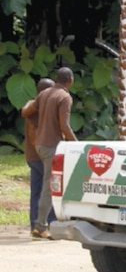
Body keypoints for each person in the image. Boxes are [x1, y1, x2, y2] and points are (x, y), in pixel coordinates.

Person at [32, 67, 78, 240]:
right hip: (52, 145)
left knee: (50, 184)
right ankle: (40, 227)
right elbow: (64, 126)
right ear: (70, 81)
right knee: (49, 187)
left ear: (56, 78)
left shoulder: (44, 93)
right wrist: (77, 145)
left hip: (40, 143)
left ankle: (51, 221)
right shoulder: (64, 97)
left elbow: (32, 111)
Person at [21, 77, 55, 238]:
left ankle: (35, 226)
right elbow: (34, 134)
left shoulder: (32, 105)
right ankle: (49, 223)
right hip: (41, 155)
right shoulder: (39, 108)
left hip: (31, 155)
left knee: (36, 191)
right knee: (48, 189)